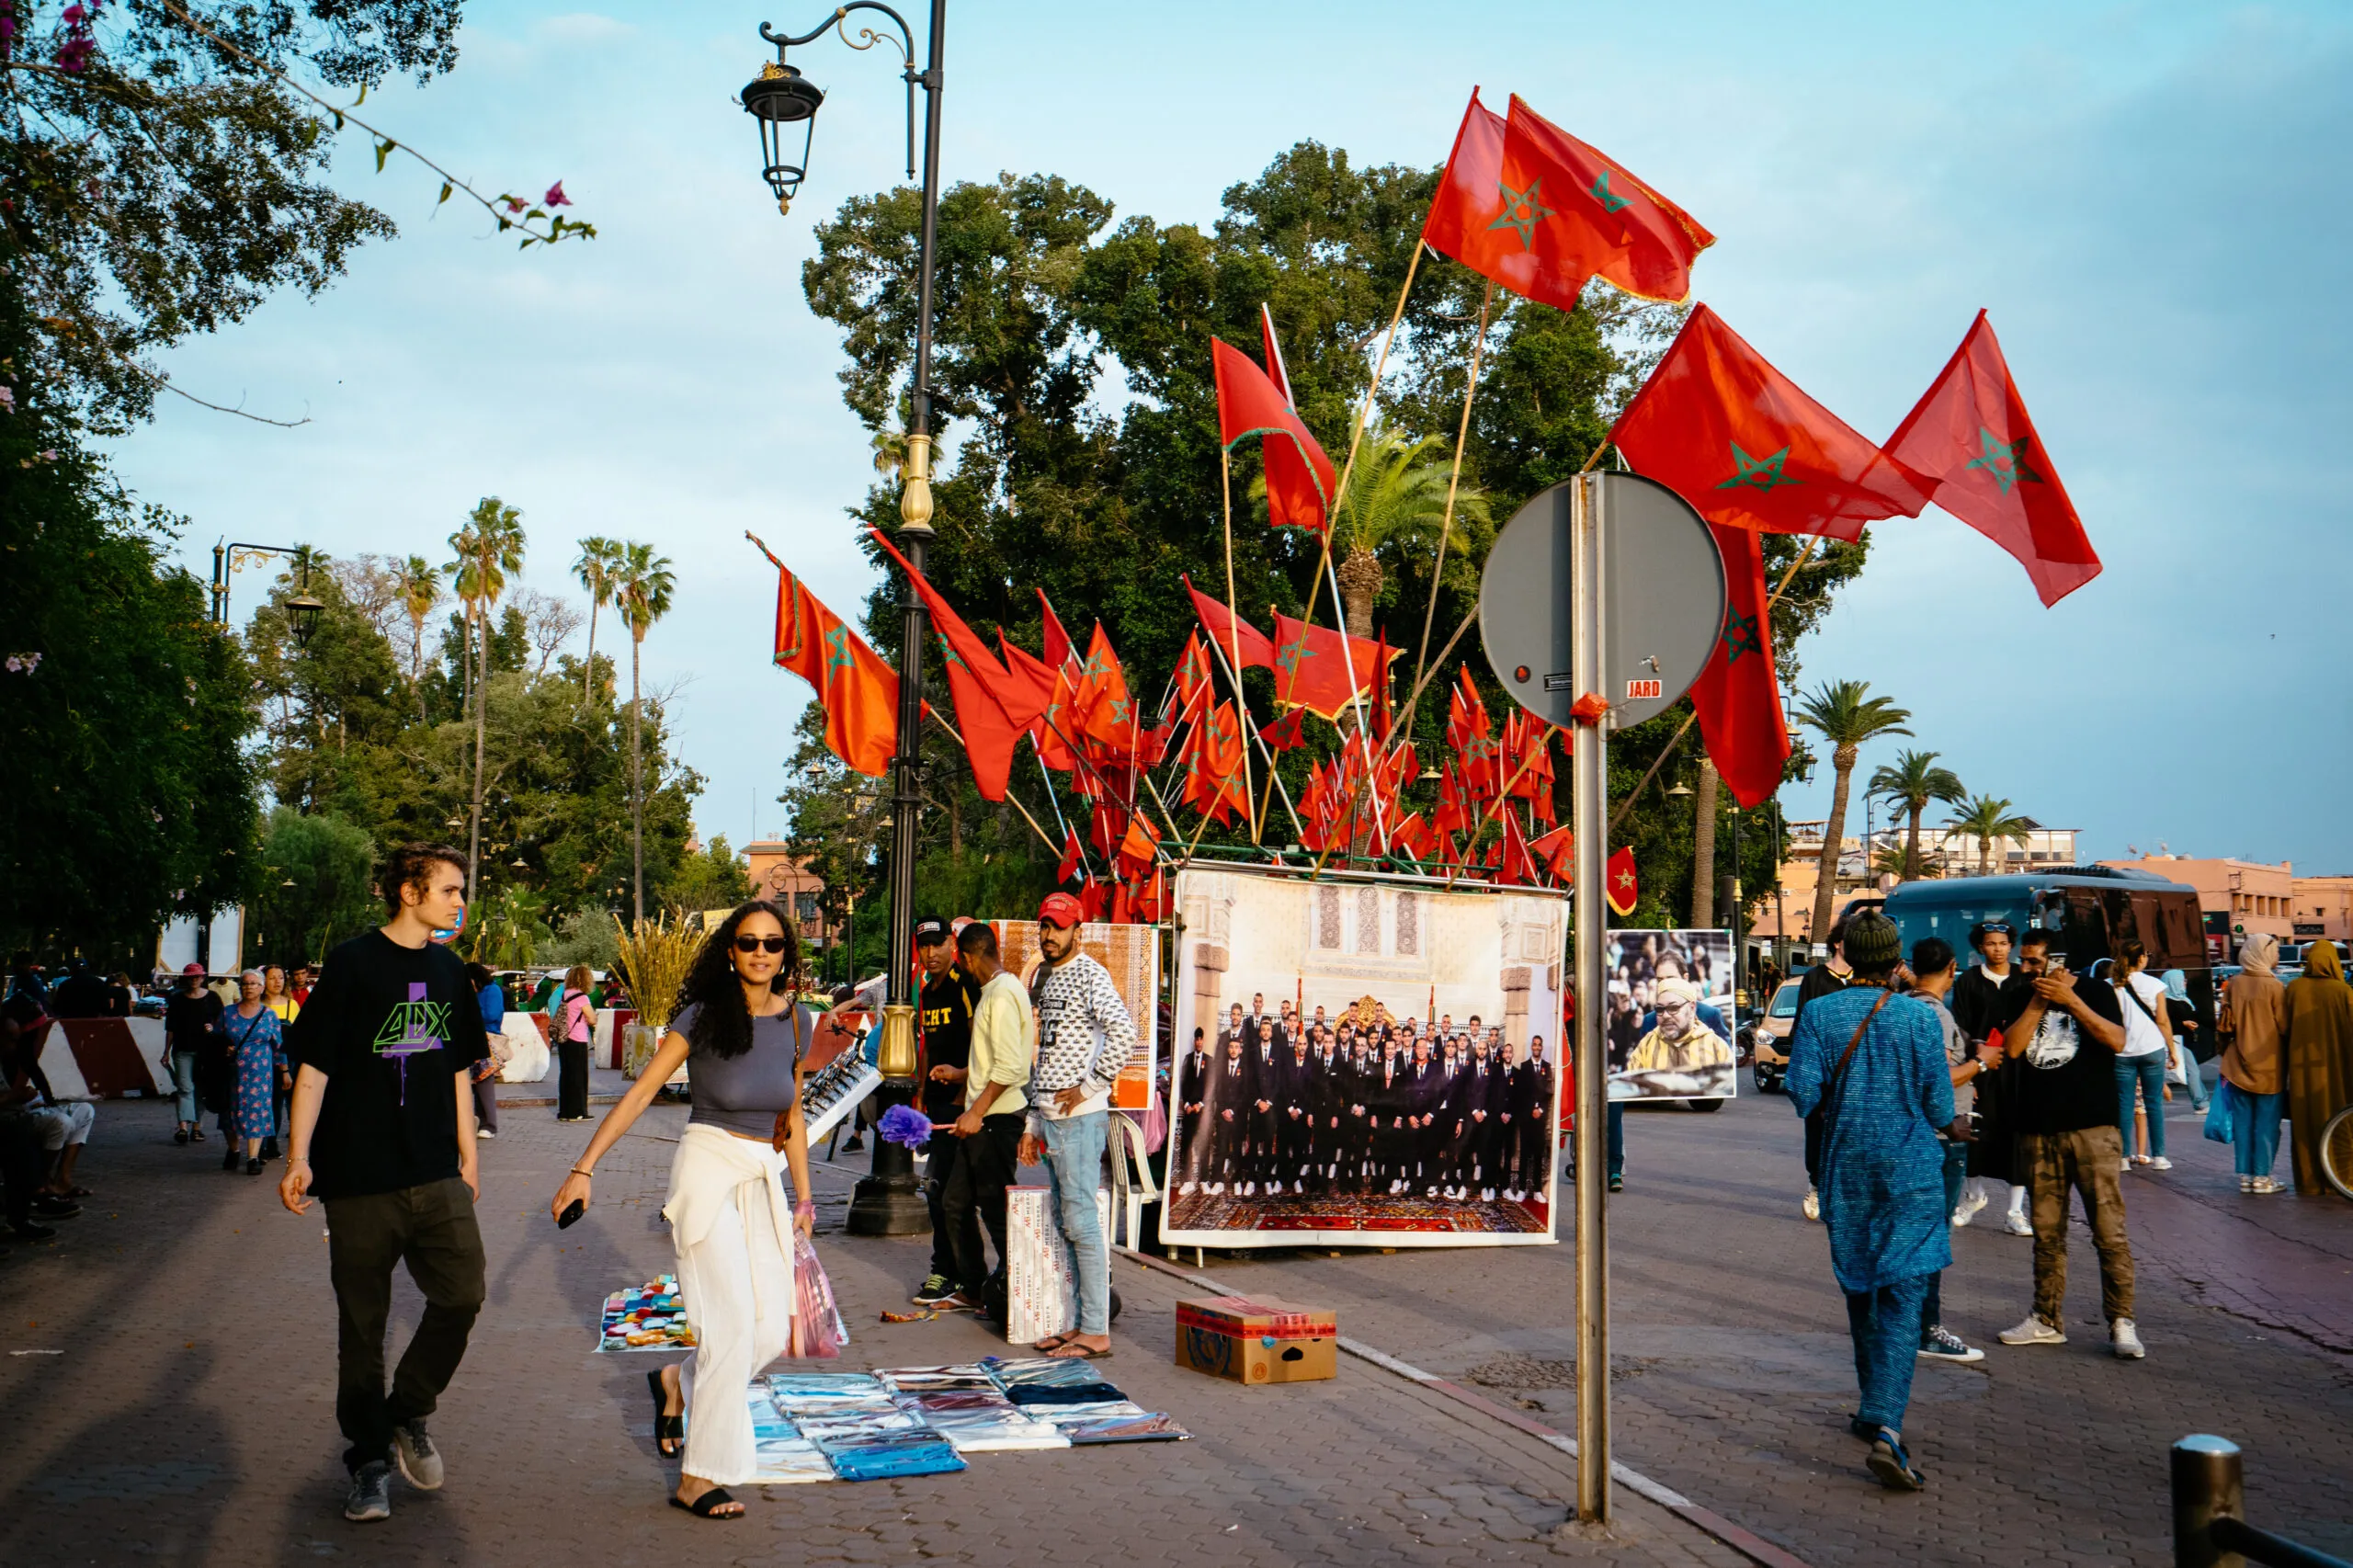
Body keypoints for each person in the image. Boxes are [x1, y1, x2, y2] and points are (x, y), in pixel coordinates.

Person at [550, 901, 815, 1522]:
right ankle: (698, 1478)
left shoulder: (799, 1021)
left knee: (770, 1331)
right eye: (747, 942)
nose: (760, 952)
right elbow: (642, 1091)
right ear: (729, 950)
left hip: (762, 1174)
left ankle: (674, 1379)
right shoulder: (701, 1016)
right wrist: (584, 1168)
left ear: (786, 955)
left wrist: (802, 1196)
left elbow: (792, 1116)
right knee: (726, 1328)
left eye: (772, 943)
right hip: (707, 1167)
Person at [278, 845, 491, 1525]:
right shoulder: (351, 963)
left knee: (463, 1295)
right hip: (360, 1179)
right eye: (450, 890)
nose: (460, 901)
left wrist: (469, 1155)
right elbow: (314, 1069)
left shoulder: (451, 970)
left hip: (435, 1173)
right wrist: (298, 1157)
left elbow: (458, 1068)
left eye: (462, 891)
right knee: (362, 1330)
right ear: (409, 891)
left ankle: (408, 1412)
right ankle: (369, 1465)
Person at [1784, 913, 1958, 1493]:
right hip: (1910, 1170)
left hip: (1848, 1170)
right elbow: (1939, 1108)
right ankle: (1887, 1425)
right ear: (1896, 958)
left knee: (1861, 1286)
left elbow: (1804, 1093)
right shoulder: (1917, 1018)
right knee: (1906, 1294)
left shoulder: (1817, 1012)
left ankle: (1871, 1407)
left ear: (1847, 956)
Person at [1993, 930, 2142, 1359]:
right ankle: (2046, 1319)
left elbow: (2116, 1040)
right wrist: (2040, 1000)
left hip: (2094, 1130)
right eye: (2024, 961)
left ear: (2059, 962)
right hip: (2040, 1131)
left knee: (2109, 1231)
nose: (2026, 969)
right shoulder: (2021, 996)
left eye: (2035, 962)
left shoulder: (2096, 991)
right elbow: (2016, 1049)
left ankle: (2121, 1321)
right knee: (2046, 1233)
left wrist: (2072, 1000)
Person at [1018, 892, 1137, 1359]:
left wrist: (1091, 1087)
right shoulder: (1048, 979)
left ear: (1077, 931)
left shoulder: (1090, 974)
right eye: (1045, 925)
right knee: (1069, 1223)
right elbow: (1042, 1057)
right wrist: (1032, 1120)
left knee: (1083, 1223)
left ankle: (1095, 1329)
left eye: (1058, 927)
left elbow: (1124, 1032)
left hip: (1079, 1120)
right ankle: (1079, 1324)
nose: (1049, 934)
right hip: (1050, 1118)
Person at [936, 922, 1032, 1316]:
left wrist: (975, 1111)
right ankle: (974, 1285)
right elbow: (994, 1060)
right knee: (955, 1201)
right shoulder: (992, 993)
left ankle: (1014, 1288)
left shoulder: (1004, 993)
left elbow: (1010, 1067)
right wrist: (961, 1074)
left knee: (994, 1207)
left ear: (968, 957)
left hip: (998, 1119)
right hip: (983, 1116)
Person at [1904, 938, 1987, 1364]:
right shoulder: (1932, 1013)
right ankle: (1925, 1328)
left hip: (1919, 1136)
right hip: (1940, 1138)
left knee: (1916, 1234)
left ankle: (1908, 1323)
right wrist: (1982, 1063)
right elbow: (1937, 1078)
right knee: (1932, 1238)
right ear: (1953, 968)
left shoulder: (1905, 1006)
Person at [909, 916, 979, 1308]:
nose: (931, 954)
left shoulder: (963, 984)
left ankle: (951, 1274)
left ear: (952, 945)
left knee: (944, 1193)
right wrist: (920, 1092)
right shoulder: (927, 991)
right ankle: (959, 1275)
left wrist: (965, 1094)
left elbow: (977, 1041)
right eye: (924, 947)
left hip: (963, 1109)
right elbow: (927, 1044)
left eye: (937, 945)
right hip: (935, 1105)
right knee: (941, 1192)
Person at [1949, 922, 2030, 1236]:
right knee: (1975, 1131)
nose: (1997, 948)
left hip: (2017, 1069)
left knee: (2017, 1139)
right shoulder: (1969, 980)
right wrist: (1976, 1047)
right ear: (1980, 947)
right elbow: (1961, 1023)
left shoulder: (2023, 980)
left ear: (2011, 945)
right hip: (1980, 1067)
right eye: (1990, 943)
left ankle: (2015, 1211)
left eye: (2002, 942)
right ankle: (1973, 1196)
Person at [2217, 933, 2290, 1193]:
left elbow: (2225, 1025)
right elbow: (2284, 1027)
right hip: (2269, 1065)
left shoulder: (2235, 983)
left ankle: (2246, 1176)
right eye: (2275, 951)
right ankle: (2262, 1177)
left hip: (2237, 1063)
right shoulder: (2274, 987)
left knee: (2243, 1122)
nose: (2277, 956)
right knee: (2267, 1123)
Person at [1794, 914, 1856, 1221]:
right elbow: (1802, 1027)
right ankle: (1816, 1185)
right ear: (1837, 943)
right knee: (1818, 1132)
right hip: (1823, 1071)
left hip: (1857, 1073)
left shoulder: (1865, 979)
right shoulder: (1815, 978)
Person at [2280, 938, 2353, 1198]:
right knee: (2340, 1123)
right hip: (2339, 1071)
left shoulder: (2294, 989)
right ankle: (2342, 1179)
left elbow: (2283, 1027)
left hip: (2302, 1072)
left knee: (2305, 1124)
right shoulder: (2343, 992)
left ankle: (2309, 1182)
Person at [2111, 939, 2175, 1171]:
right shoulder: (2154, 985)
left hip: (2122, 1051)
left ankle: (2123, 1158)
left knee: (2124, 1104)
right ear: (2140, 959)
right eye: (2146, 954)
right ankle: (2159, 1157)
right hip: (2152, 1048)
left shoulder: (2111, 984)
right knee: (2154, 1103)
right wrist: (2172, 1050)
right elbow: (2163, 1020)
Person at [222, 970, 287, 1176]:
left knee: (256, 1111)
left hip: (260, 1074)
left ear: (261, 988)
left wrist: (285, 1071)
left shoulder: (269, 1015)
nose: (249, 987)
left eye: (253, 984)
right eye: (245, 984)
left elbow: (279, 1047)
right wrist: (224, 1048)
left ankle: (253, 1157)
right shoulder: (227, 1013)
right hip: (232, 1072)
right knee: (229, 1113)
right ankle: (233, 1150)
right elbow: (215, 1039)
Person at [162, 963, 222, 1146]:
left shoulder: (212, 998)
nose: (194, 980)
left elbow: (223, 1023)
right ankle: (183, 1128)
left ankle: (196, 1128)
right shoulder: (177, 999)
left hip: (206, 1051)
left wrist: (214, 1028)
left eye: (197, 977)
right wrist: (166, 1052)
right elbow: (170, 1028)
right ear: (186, 979)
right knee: (185, 1088)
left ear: (203, 978)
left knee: (200, 1090)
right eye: (191, 977)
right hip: (182, 1049)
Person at [261, 965, 301, 1158]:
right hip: (261, 1060)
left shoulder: (291, 1005)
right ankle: (262, 1142)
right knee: (266, 1103)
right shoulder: (258, 1005)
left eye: (280, 978)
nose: (277, 982)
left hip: (288, 1060)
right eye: (272, 978)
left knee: (280, 1102)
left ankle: (272, 1141)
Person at [463, 963, 506, 1141]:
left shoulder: (492, 991)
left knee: (484, 1082)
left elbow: (492, 1015)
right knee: (472, 1084)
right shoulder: (472, 992)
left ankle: (489, 1124)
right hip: (470, 1037)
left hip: (487, 1038)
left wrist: (470, 1011)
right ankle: (477, 1120)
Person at [555, 963, 595, 1122]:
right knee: (579, 1076)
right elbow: (591, 1018)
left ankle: (564, 1111)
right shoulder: (582, 998)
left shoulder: (565, 994)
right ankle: (578, 1111)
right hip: (577, 1039)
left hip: (563, 1038)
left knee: (566, 1075)